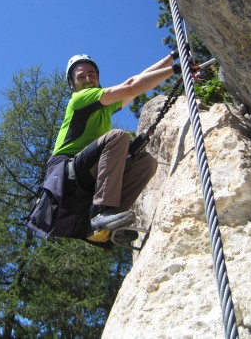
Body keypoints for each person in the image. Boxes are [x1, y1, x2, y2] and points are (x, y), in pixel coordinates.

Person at [41, 51, 189, 245]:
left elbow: (134, 84)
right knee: (118, 136)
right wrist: (178, 69)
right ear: (72, 84)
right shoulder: (80, 99)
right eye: (81, 77)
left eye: (92, 75)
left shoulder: (104, 107)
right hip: (66, 173)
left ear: (98, 78)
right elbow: (130, 87)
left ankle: (110, 222)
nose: (88, 79)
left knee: (146, 163)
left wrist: (171, 58)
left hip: (86, 174)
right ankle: (101, 212)